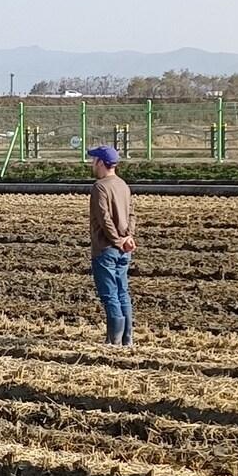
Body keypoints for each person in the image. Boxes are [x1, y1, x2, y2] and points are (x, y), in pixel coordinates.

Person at [86, 145, 136, 346]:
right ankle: (127, 339)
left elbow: (104, 218)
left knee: (110, 295)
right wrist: (127, 238)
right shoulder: (123, 185)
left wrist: (116, 240)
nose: (92, 164)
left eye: (93, 160)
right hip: (124, 249)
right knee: (122, 292)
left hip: (106, 249)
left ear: (100, 162)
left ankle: (113, 341)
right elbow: (132, 214)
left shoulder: (100, 187)